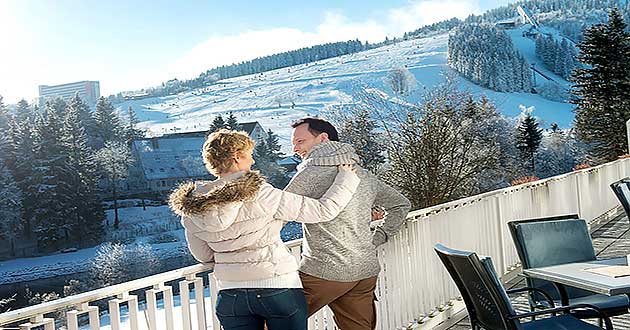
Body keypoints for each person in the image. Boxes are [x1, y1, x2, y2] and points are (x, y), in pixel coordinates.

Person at [169, 129, 360, 330]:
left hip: (231, 295)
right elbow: (323, 211)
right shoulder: (261, 193)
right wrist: (346, 178)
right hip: (277, 288)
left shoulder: (193, 206)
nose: (252, 162)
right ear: (237, 157)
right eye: (249, 156)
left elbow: (204, 255)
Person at [286, 117, 411, 330]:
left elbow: (276, 212)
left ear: (323, 139)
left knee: (273, 322)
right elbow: (401, 205)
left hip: (323, 274)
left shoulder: (310, 173)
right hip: (363, 273)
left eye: (300, 141)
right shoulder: (362, 174)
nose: (295, 149)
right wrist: (378, 238)